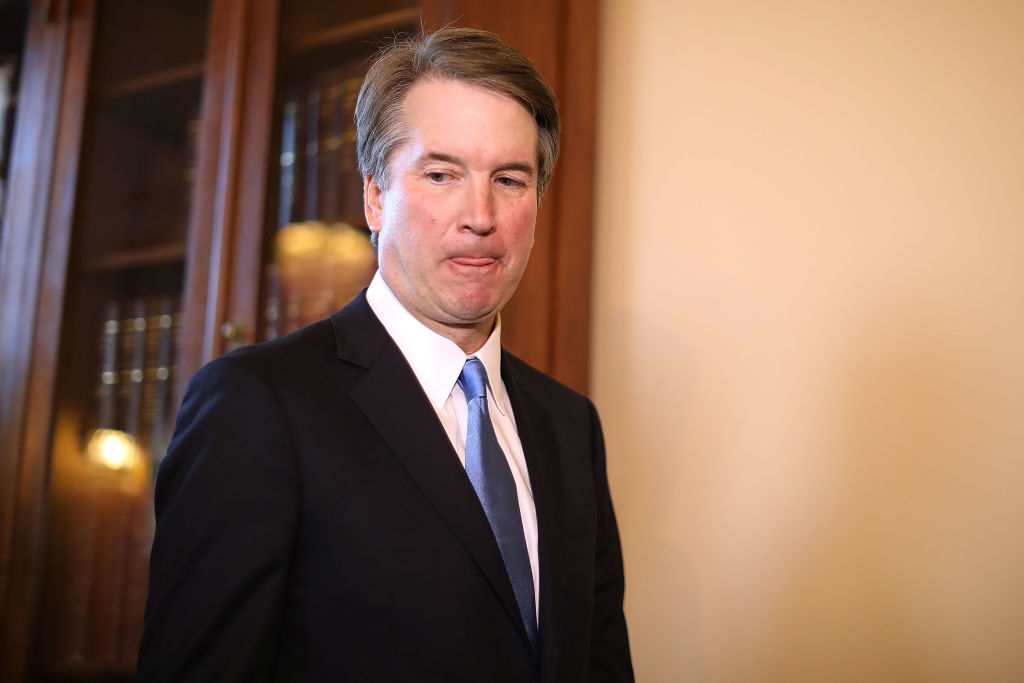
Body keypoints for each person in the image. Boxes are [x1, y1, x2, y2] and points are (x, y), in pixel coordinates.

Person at [139, 27, 633, 682]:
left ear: (537, 202)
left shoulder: (573, 427)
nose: (480, 215)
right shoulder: (256, 405)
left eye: (510, 179)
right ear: (375, 196)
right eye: (440, 173)